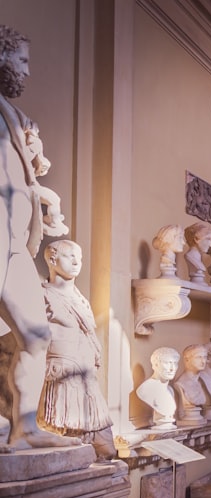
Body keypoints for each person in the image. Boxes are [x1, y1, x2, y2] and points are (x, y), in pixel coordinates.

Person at [0, 25, 80, 452]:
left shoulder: (13, 116)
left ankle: (23, 428)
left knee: (35, 337)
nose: (28, 72)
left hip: (15, 244)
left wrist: (43, 197)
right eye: (23, 61)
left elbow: (21, 182)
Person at [38, 239, 114, 458]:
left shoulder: (81, 299)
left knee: (108, 451)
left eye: (79, 257)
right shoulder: (42, 294)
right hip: (61, 377)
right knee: (69, 451)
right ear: (52, 259)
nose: (76, 262)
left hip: (88, 379)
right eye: (69, 256)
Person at [136, 346, 180, 429]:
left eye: (175, 363)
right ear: (155, 365)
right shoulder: (145, 389)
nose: (172, 368)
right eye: (167, 363)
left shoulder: (170, 390)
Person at [173, 344, 208, 426]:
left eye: (205, 357)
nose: (203, 361)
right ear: (186, 359)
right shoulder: (181, 383)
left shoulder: (201, 382)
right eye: (198, 357)